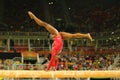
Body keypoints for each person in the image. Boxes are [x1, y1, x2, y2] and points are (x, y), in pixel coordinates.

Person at [28, 11, 93, 70]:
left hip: (56, 34)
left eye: (56, 58)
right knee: (73, 36)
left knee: (44, 24)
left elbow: (52, 61)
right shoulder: (57, 53)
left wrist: (47, 70)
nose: (58, 58)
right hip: (60, 36)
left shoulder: (54, 53)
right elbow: (56, 62)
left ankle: (33, 16)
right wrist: (55, 69)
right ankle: (86, 35)